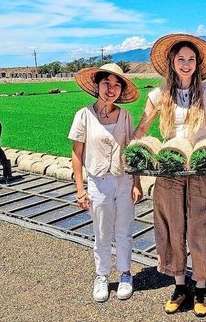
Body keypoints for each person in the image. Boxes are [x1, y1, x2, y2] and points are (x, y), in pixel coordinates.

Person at [133, 34, 206, 317]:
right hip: (169, 169)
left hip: (199, 170)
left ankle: (202, 286)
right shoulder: (157, 97)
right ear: (172, 62)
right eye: (180, 58)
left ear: (197, 64)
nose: (186, 64)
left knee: (198, 230)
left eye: (191, 59)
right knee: (172, 228)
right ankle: (180, 285)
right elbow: (142, 130)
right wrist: (132, 153)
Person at [69, 63, 143, 303]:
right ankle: (101, 276)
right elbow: (77, 154)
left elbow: (133, 152)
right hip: (98, 183)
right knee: (101, 233)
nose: (111, 89)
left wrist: (137, 183)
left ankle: (125, 274)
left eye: (116, 85)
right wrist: (80, 190)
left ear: (121, 90)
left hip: (124, 180)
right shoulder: (84, 115)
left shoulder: (125, 116)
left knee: (124, 231)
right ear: (97, 86)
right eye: (106, 84)